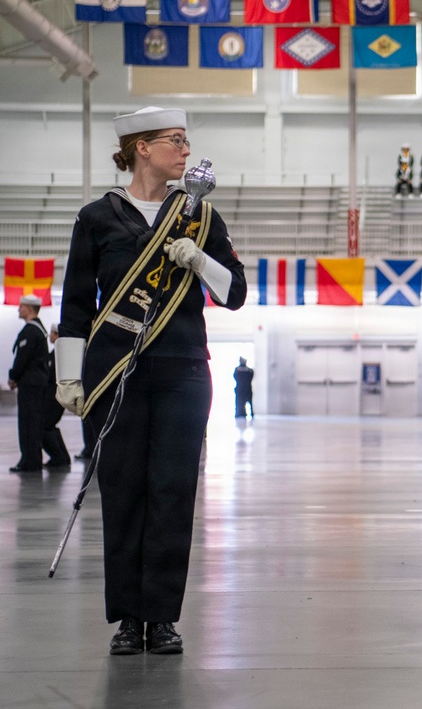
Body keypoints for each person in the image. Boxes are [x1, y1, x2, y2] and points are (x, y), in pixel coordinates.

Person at [56, 106, 247, 655]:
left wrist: (197, 261)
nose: (186, 150)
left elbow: (233, 293)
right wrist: (70, 377)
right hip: (115, 373)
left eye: (187, 142)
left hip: (184, 371)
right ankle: (127, 619)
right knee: (122, 494)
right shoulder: (98, 217)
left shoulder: (201, 218)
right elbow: (74, 306)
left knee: (171, 493)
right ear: (142, 147)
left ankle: (161, 618)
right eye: (176, 141)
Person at [7, 294, 49, 473]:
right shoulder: (37, 329)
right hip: (35, 384)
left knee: (28, 423)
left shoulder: (31, 331)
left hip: (30, 384)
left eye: (21, 306)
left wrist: (13, 376)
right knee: (32, 422)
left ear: (30, 309)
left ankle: (29, 461)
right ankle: (32, 459)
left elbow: (23, 358)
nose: (18, 309)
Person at [42, 324, 71, 469]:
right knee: (49, 425)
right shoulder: (56, 353)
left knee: (45, 426)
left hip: (55, 396)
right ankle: (62, 457)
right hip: (55, 395)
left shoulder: (58, 354)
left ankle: (58, 457)